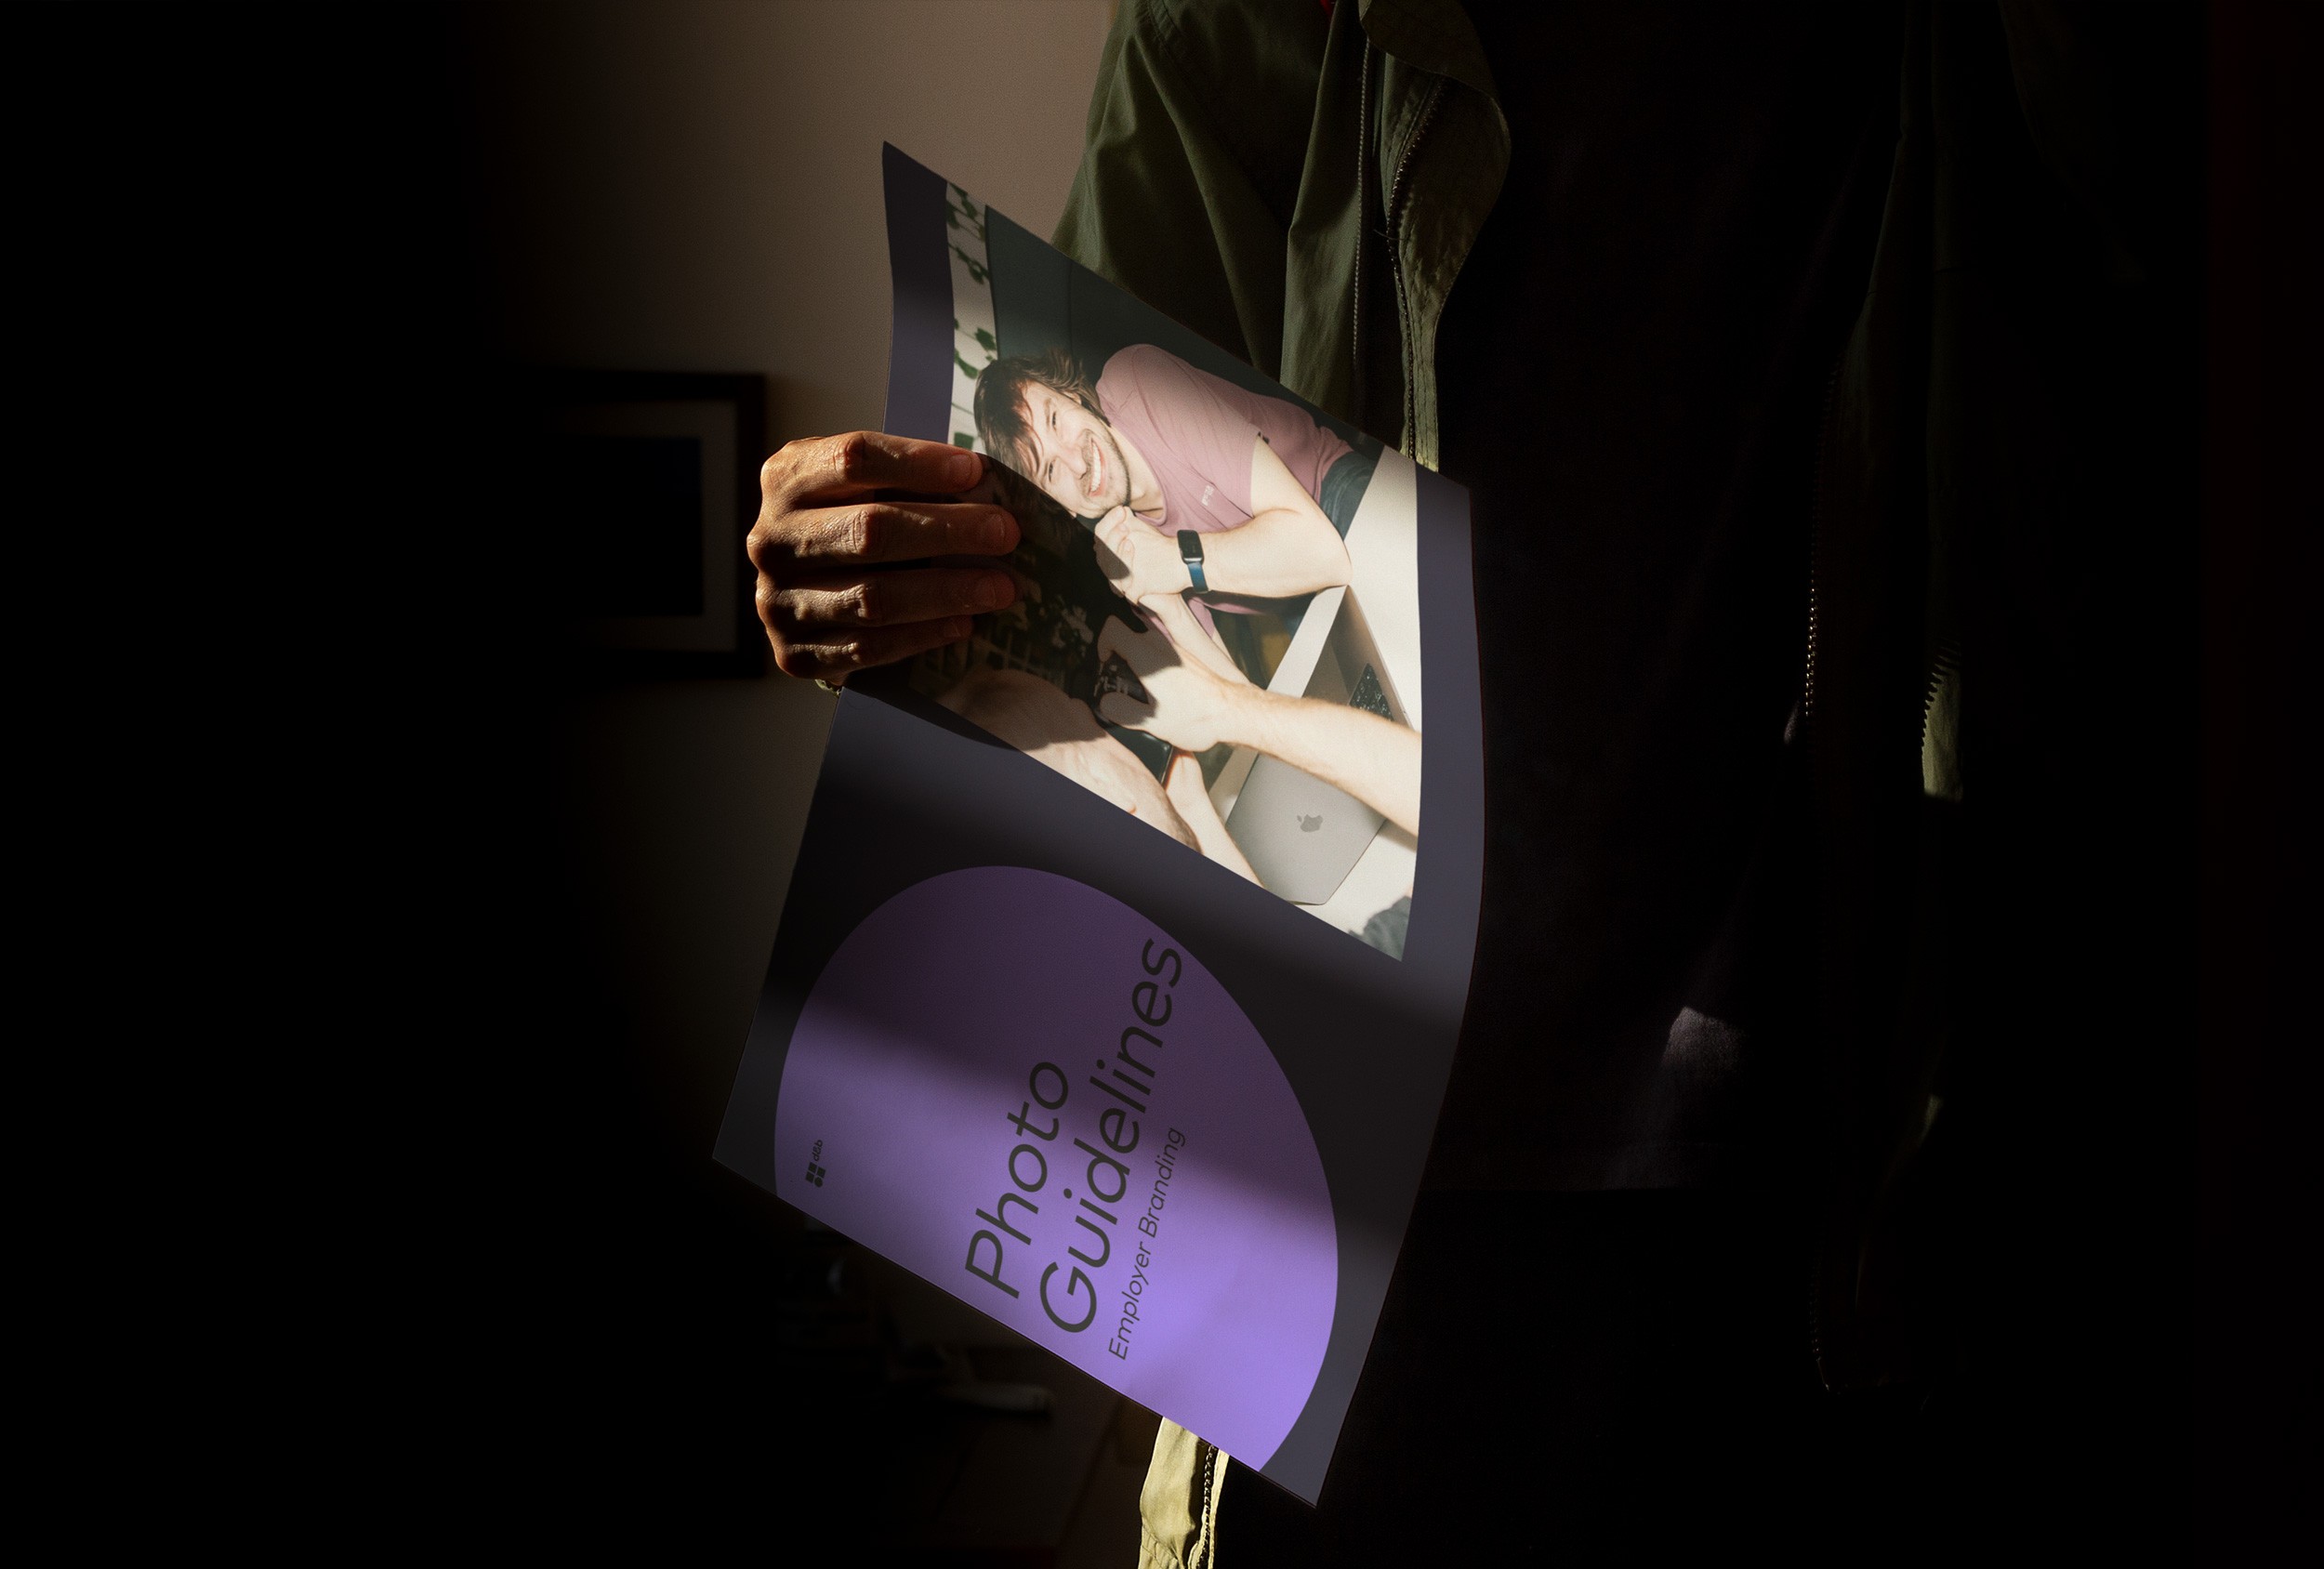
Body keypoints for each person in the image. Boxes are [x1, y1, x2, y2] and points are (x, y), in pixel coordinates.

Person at [747, 2, 2199, 1560]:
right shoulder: (1250, 29)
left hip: (1849, 1203)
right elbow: (1046, 525)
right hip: (1363, 1219)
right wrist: (891, 567)